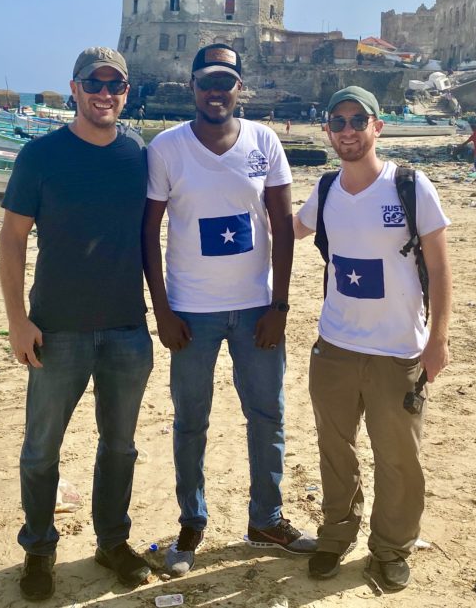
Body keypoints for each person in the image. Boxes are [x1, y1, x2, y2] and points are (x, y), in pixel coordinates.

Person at [143, 43, 315, 578]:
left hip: (257, 309)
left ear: (241, 88)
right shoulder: (166, 148)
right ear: (192, 86)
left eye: (226, 82)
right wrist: (163, 311)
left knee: (268, 417)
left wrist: (280, 305)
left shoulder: (264, 142)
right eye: (207, 83)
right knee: (190, 421)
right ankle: (192, 523)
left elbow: (283, 227)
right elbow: (149, 233)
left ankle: (266, 518)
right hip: (191, 314)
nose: (216, 92)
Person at [0, 47, 153, 601]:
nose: (105, 93)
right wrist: (17, 321)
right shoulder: (40, 156)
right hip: (56, 330)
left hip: (126, 330)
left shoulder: (139, 154)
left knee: (120, 447)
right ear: (74, 87)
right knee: (41, 448)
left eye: (116, 85)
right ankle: (39, 550)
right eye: (95, 83)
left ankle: (112, 542)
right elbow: (12, 240)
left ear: (126, 92)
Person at [293, 86, 452, 592]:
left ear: (376, 127)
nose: (347, 130)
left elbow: (440, 267)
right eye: (337, 121)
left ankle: (390, 548)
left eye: (357, 120)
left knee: (399, 457)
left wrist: (439, 339)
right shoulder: (324, 190)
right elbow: (284, 226)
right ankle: (337, 534)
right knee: (334, 449)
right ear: (327, 132)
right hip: (335, 348)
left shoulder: (409, 185)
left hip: (398, 350)